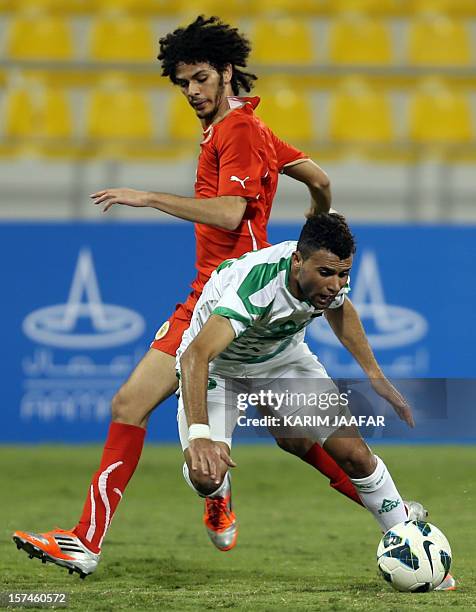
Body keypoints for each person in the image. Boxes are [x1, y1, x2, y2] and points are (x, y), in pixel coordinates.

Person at [11, 16, 390, 578]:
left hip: (229, 294)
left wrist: (148, 197)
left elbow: (230, 212)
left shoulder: (235, 133)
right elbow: (319, 177)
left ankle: (93, 539)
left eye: (200, 78)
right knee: (287, 433)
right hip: (231, 291)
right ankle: (397, 518)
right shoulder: (248, 127)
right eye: (183, 82)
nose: (192, 91)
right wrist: (319, 212)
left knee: (132, 406)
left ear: (226, 72)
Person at [176, 213, 455, 592]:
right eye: (326, 274)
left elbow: (341, 308)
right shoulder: (256, 285)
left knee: (355, 454)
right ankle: (218, 495)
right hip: (218, 368)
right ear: (297, 261)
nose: (335, 285)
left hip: (282, 362)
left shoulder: (330, 275)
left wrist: (375, 375)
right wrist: (200, 435)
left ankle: (414, 550)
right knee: (206, 474)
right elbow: (196, 356)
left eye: (343, 275)